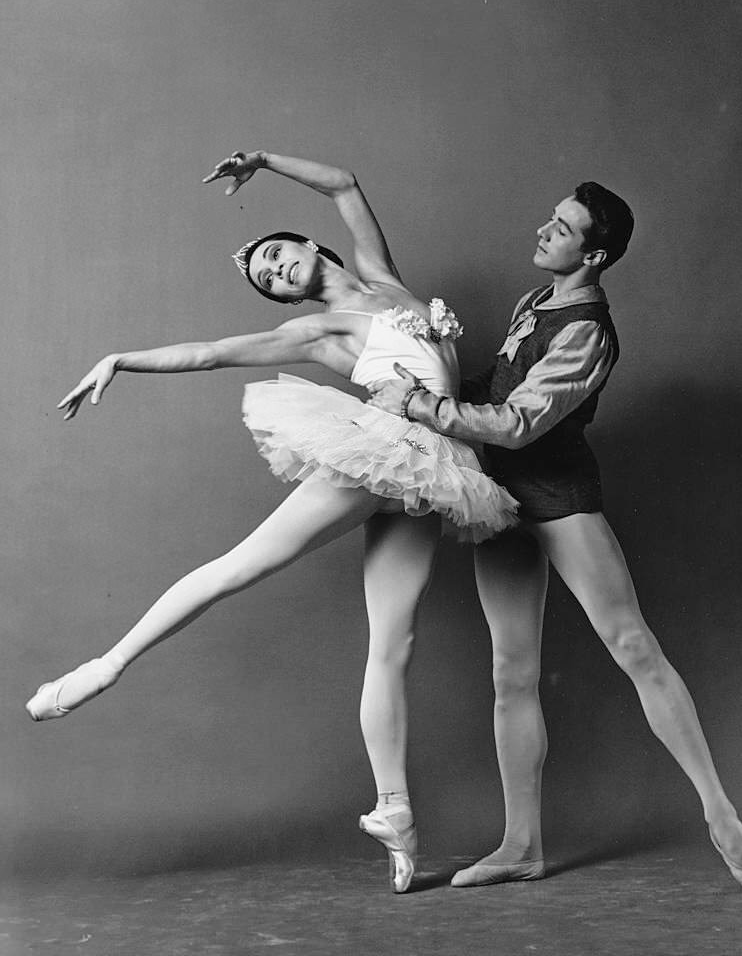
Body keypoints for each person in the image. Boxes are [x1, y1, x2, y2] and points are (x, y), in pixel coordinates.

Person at [25, 149, 519, 894]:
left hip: (435, 468)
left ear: (311, 246)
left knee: (394, 643)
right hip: (381, 453)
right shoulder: (316, 333)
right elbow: (212, 352)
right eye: (266, 278)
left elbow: (346, 184)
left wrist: (262, 159)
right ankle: (105, 666)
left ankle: (396, 813)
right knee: (240, 566)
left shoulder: (384, 281)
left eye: (278, 254)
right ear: (282, 301)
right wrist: (121, 358)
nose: (277, 270)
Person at [369, 182, 742, 894]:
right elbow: (496, 385)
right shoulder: (536, 302)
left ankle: (721, 814)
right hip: (496, 502)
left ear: (596, 253)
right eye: (551, 220)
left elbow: (520, 423)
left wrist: (426, 404)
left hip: (559, 501)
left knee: (634, 647)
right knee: (510, 674)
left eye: (561, 228)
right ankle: (522, 845)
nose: (543, 230)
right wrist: (421, 362)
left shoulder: (587, 329)